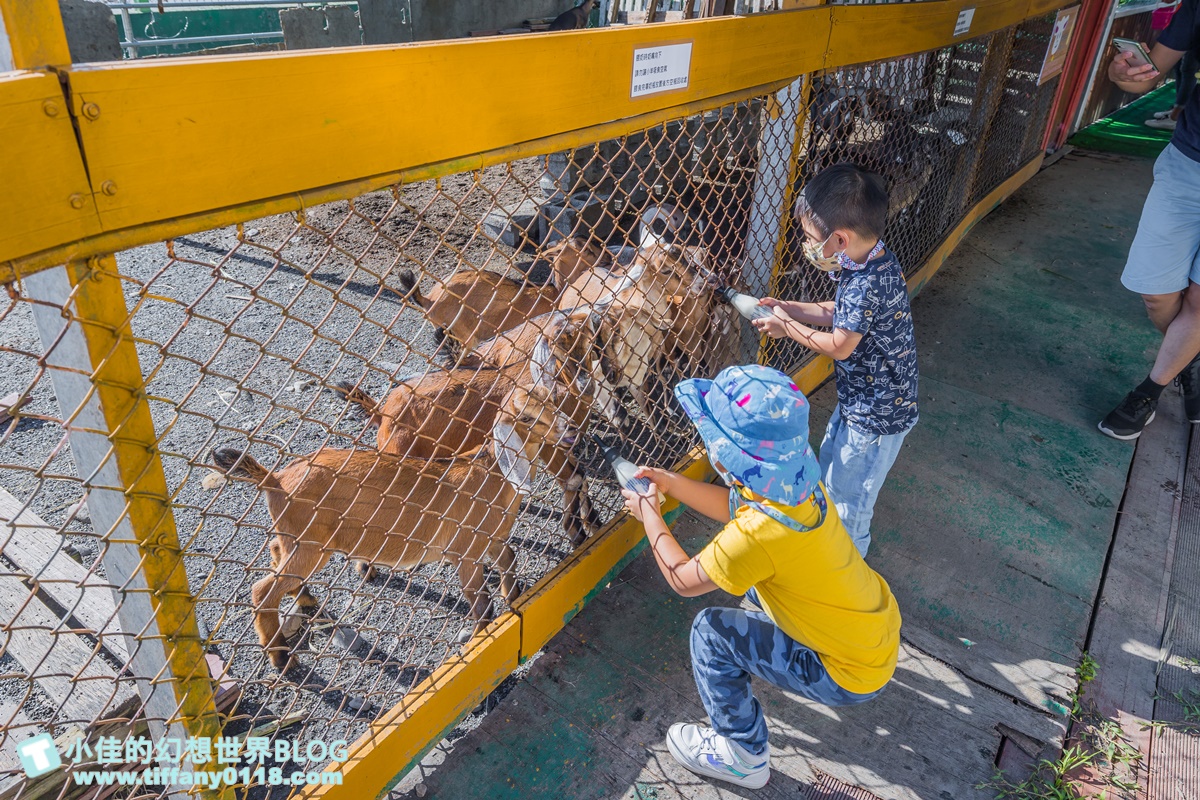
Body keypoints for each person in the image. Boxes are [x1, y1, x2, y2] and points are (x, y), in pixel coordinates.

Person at [620, 364, 901, 790]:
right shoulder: (801, 488)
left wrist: (649, 514)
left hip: (845, 673)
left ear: (724, 453)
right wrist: (669, 483)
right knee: (752, 579)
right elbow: (736, 504)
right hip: (873, 632)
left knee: (710, 633)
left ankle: (742, 754)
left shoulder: (755, 536)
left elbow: (681, 578)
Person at [752, 163, 918, 557]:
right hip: (864, 403)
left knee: (850, 507)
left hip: (876, 418)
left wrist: (785, 327)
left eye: (809, 237)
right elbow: (839, 312)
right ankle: (827, 554)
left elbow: (840, 344)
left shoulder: (866, 282)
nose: (806, 245)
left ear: (839, 239)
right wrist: (791, 308)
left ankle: (845, 576)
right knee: (831, 473)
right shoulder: (870, 260)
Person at [1099, 0, 1200, 439]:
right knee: (1157, 295)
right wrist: (1125, 73)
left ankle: (1150, 390)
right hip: (1188, 164)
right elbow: (1150, 70)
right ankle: (1190, 357)